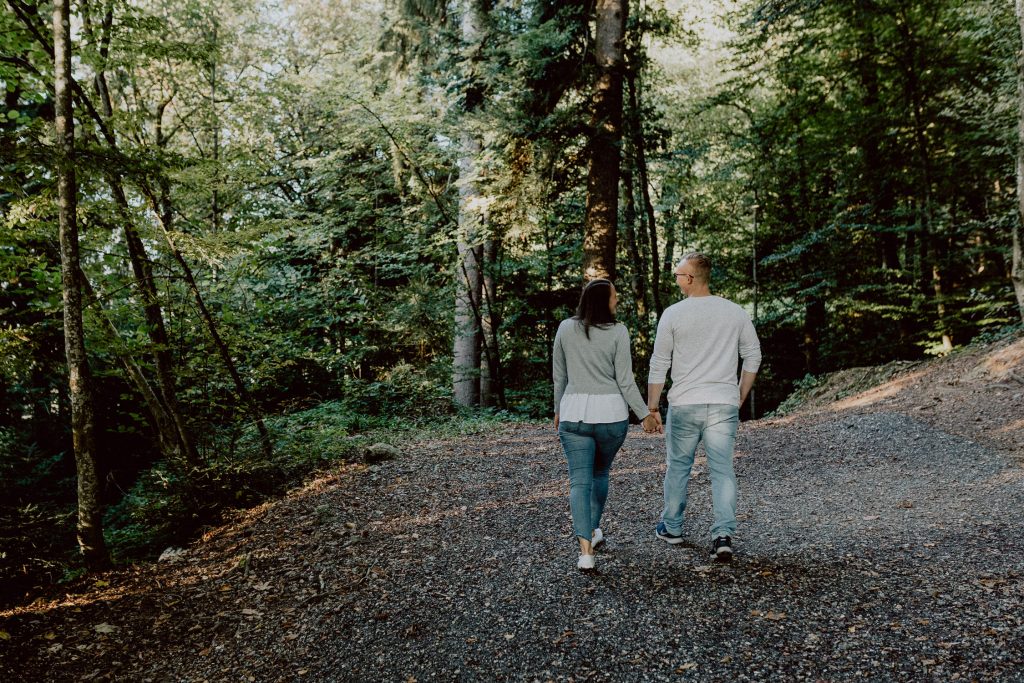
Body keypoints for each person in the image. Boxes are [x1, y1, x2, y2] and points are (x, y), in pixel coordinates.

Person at [646, 253, 761, 562]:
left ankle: (672, 527)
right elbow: (753, 356)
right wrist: (739, 393)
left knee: (678, 467)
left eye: (679, 275)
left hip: (684, 403)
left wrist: (652, 406)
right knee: (722, 470)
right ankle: (723, 535)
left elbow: (660, 363)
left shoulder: (673, 314)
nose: (676, 279)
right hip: (723, 402)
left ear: (692, 278)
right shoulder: (734, 312)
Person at [553, 279, 660, 571]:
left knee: (579, 480)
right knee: (600, 472)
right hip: (611, 416)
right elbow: (624, 380)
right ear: (603, 300)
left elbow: (559, 377)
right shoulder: (618, 332)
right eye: (614, 295)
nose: (617, 299)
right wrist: (644, 414)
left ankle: (586, 552)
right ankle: (593, 530)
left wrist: (557, 409)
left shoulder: (565, 328)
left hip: (574, 414)